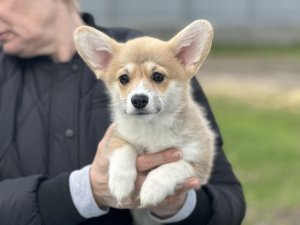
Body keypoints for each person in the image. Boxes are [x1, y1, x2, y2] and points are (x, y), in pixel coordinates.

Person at [0, 0, 246, 225]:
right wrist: (82, 191)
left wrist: (175, 207)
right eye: (125, 79)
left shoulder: (155, 53)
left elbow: (227, 202)